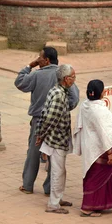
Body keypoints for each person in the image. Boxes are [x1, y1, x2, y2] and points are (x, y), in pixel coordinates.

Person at [15, 48, 79, 195]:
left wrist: (29, 66)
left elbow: (19, 82)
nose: (38, 60)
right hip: (59, 121)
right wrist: (63, 108)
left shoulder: (37, 74)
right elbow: (74, 98)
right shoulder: (64, 75)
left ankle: (28, 185)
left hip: (39, 120)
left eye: (40, 58)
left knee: (33, 152)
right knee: (54, 156)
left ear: (47, 60)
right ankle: (49, 188)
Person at [73, 80, 112, 217]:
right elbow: (103, 132)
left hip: (89, 145)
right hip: (100, 148)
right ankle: (88, 207)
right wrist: (110, 153)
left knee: (92, 174)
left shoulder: (85, 105)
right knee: (95, 177)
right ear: (101, 93)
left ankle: (100, 204)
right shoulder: (98, 110)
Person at [37, 64, 78, 215]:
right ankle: (53, 204)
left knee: (60, 171)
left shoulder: (57, 90)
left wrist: (40, 134)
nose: (74, 80)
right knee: (57, 172)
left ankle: (57, 198)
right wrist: (41, 135)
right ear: (66, 79)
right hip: (56, 139)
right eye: (73, 77)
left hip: (56, 138)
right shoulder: (59, 95)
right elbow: (49, 118)